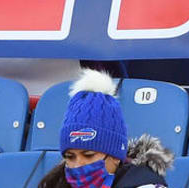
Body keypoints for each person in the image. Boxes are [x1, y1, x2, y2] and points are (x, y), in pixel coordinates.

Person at [36, 69, 173, 188]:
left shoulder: (146, 184)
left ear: (116, 157)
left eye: (88, 155)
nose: (78, 165)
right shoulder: (58, 183)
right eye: (70, 157)